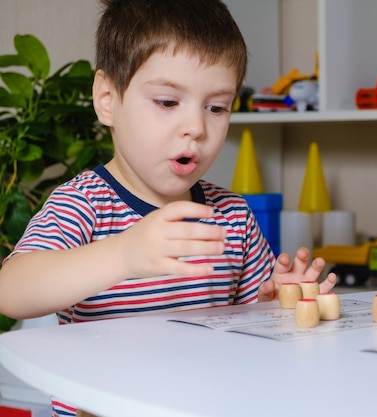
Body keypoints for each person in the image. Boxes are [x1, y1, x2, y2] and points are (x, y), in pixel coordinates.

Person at [0, 1, 336, 416]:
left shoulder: (230, 214)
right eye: (167, 102)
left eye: (216, 107)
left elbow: (252, 327)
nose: (196, 127)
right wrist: (123, 253)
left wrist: (279, 300)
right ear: (107, 99)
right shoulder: (85, 204)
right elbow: (11, 290)